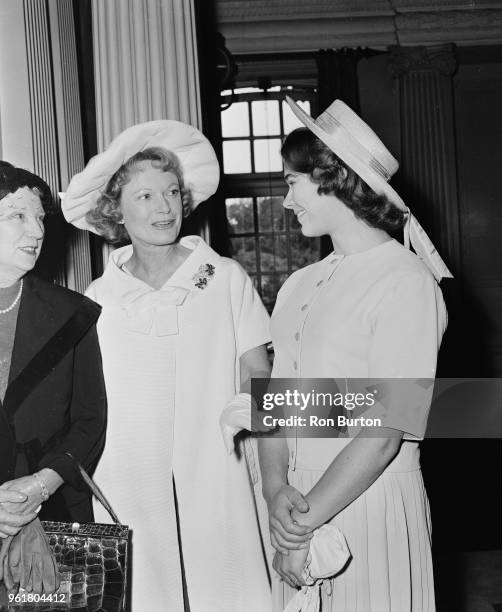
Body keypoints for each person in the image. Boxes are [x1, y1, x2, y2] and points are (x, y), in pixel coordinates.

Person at [62, 120, 272, 611]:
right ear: (116, 209)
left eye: (172, 192)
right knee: (143, 590)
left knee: (226, 583)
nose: (164, 208)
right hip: (126, 474)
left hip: (217, 467)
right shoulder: (99, 296)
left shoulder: (222, 277)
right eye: (146, 196)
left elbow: (259, 374)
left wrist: (256, 438)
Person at [259, 98, 451, 611]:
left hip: (366, 504)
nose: (286, 200)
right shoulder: (300, 284)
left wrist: (299, 525)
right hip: (295, 509)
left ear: (332, 178)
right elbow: (277, 406)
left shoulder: (406, 282)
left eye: (291, 183)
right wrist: (275, 491)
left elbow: (384, 434)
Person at [0, 161, 107, 529]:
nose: (37, 230)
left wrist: (40, 486)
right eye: (17, 215)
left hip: (50, 516)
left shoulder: (72, 313)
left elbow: (90, 420)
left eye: (40, 217)